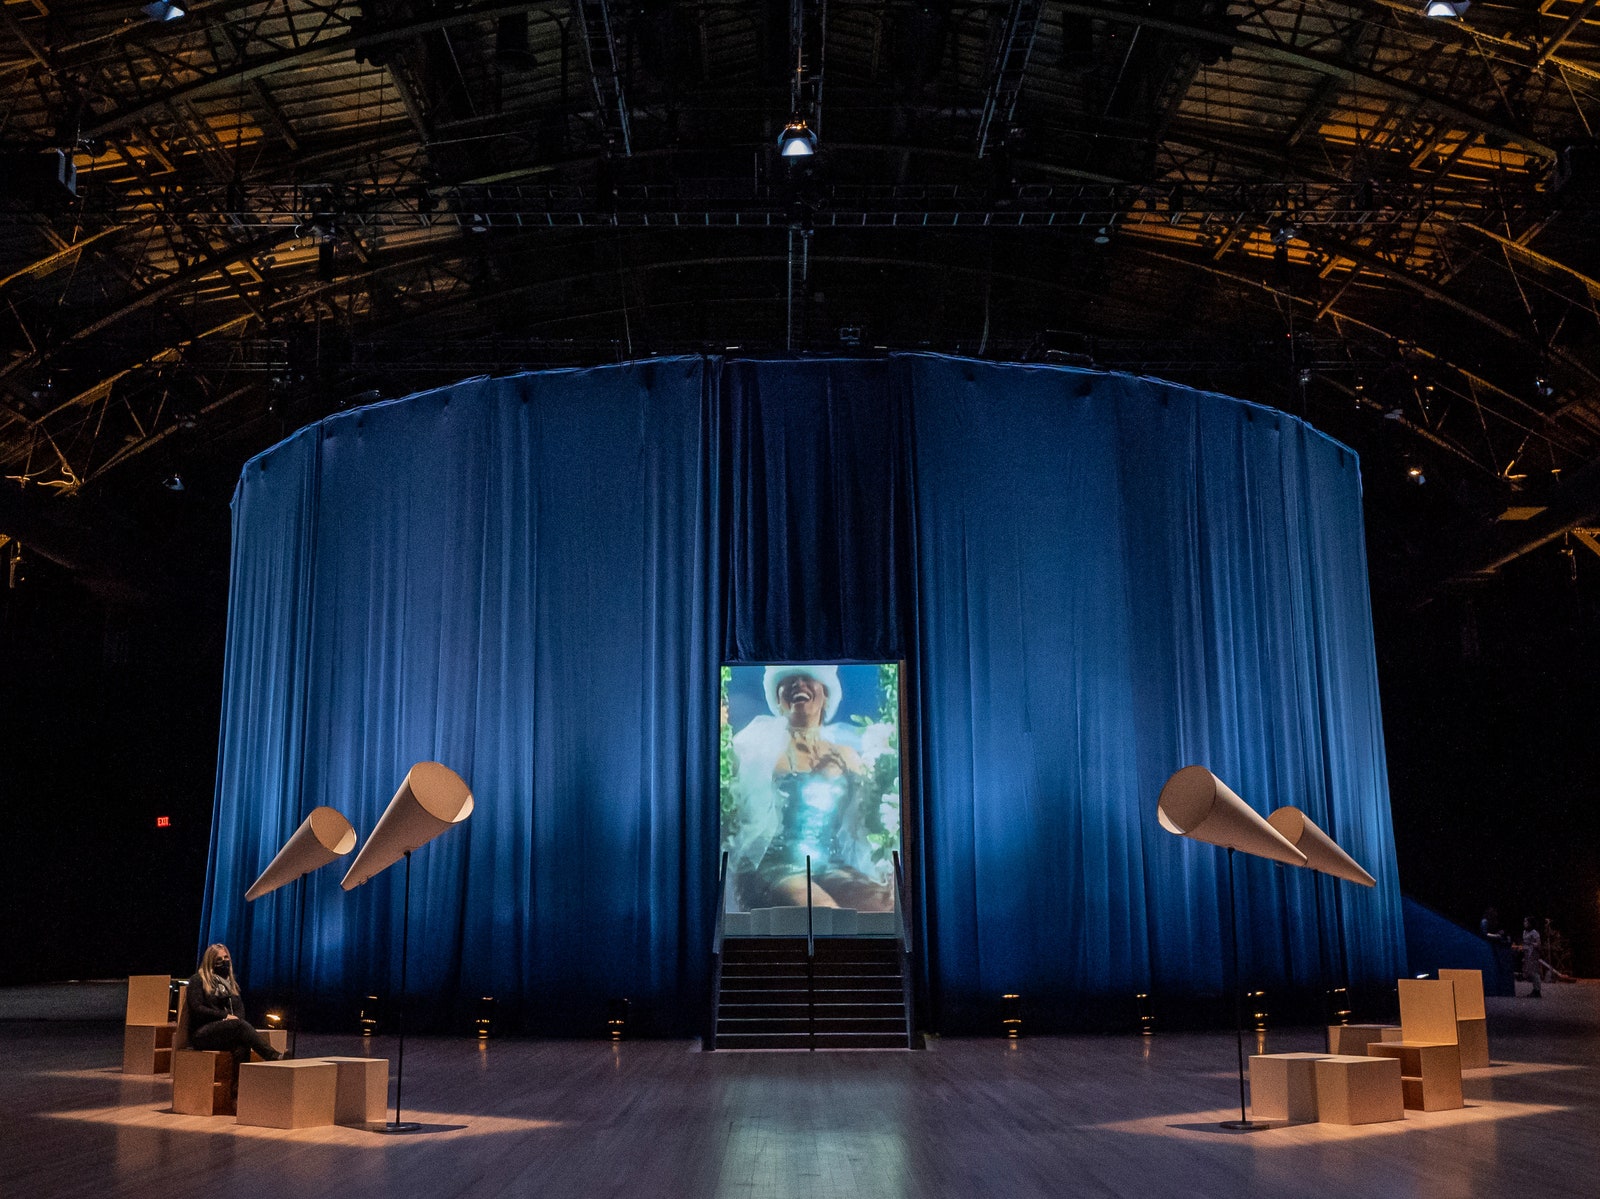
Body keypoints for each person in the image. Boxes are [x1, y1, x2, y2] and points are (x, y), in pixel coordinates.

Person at [728, 665, 892, 912]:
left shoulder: (847, 755)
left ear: (826, 693)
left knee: (884, 904)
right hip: (776, 866)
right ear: (777, 696)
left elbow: (871, 817)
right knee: (824, 911)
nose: (798, 684)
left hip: (830, 865)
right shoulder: (757, 747)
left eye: (807, 678)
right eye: (789, 680)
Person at [186, 943, 286, 1063]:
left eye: (226, 958)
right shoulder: (198, 979)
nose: (224, 961)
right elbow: (197, 1008)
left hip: (225, 1031)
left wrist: (232, 1021)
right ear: (210, 962)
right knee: (239, 1026)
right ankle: (273, 1056)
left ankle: (240, 1081)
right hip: (202, 1033)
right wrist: (225, 1017)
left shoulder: (230, 985)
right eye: (219, 959)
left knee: (243, 1044)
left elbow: (239, 1010)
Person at [1521, 917, 1543, 998]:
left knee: (1534, 972)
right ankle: (1535, 989)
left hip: (1533, 954)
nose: (1525, 923)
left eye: (1526, 921)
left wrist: (1532, 944)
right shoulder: (1524, 932)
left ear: (1530, 923)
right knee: (1530, 972)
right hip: (1527, 954)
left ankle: (1537, 990)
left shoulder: (1534, 933)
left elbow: (1539, 945)